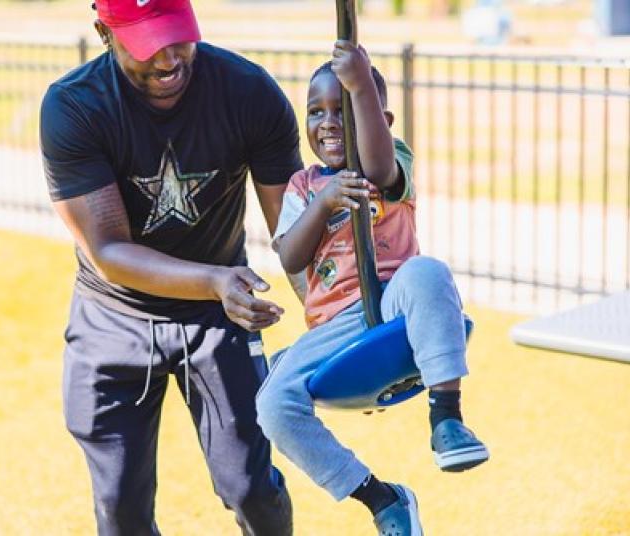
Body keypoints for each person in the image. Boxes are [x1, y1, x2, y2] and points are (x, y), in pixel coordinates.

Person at [39, 0, 303, 533]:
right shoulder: (75, 108)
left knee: (251, 489)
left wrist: (341, 317)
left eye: (176, 35)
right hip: (113, 318)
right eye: (144, 42)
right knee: (122, 508)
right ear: (103, 32)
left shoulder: (248, 92)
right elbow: (109, 251)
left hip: (218, 315)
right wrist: (213, 281)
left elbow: (293, 235)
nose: (167, 59)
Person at [255, 41, 489, 535]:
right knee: (272, 406)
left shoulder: (389, 161)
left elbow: (380, 168)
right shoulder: (302, 185)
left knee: (428, 271)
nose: (328, 123)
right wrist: (322, 203)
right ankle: (379, 498)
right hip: (336, 324)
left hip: (394, 300)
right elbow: (291, 256)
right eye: (316, 112)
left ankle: (446, 418)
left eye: (344, 109)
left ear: (380, 118)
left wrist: (360, 83)